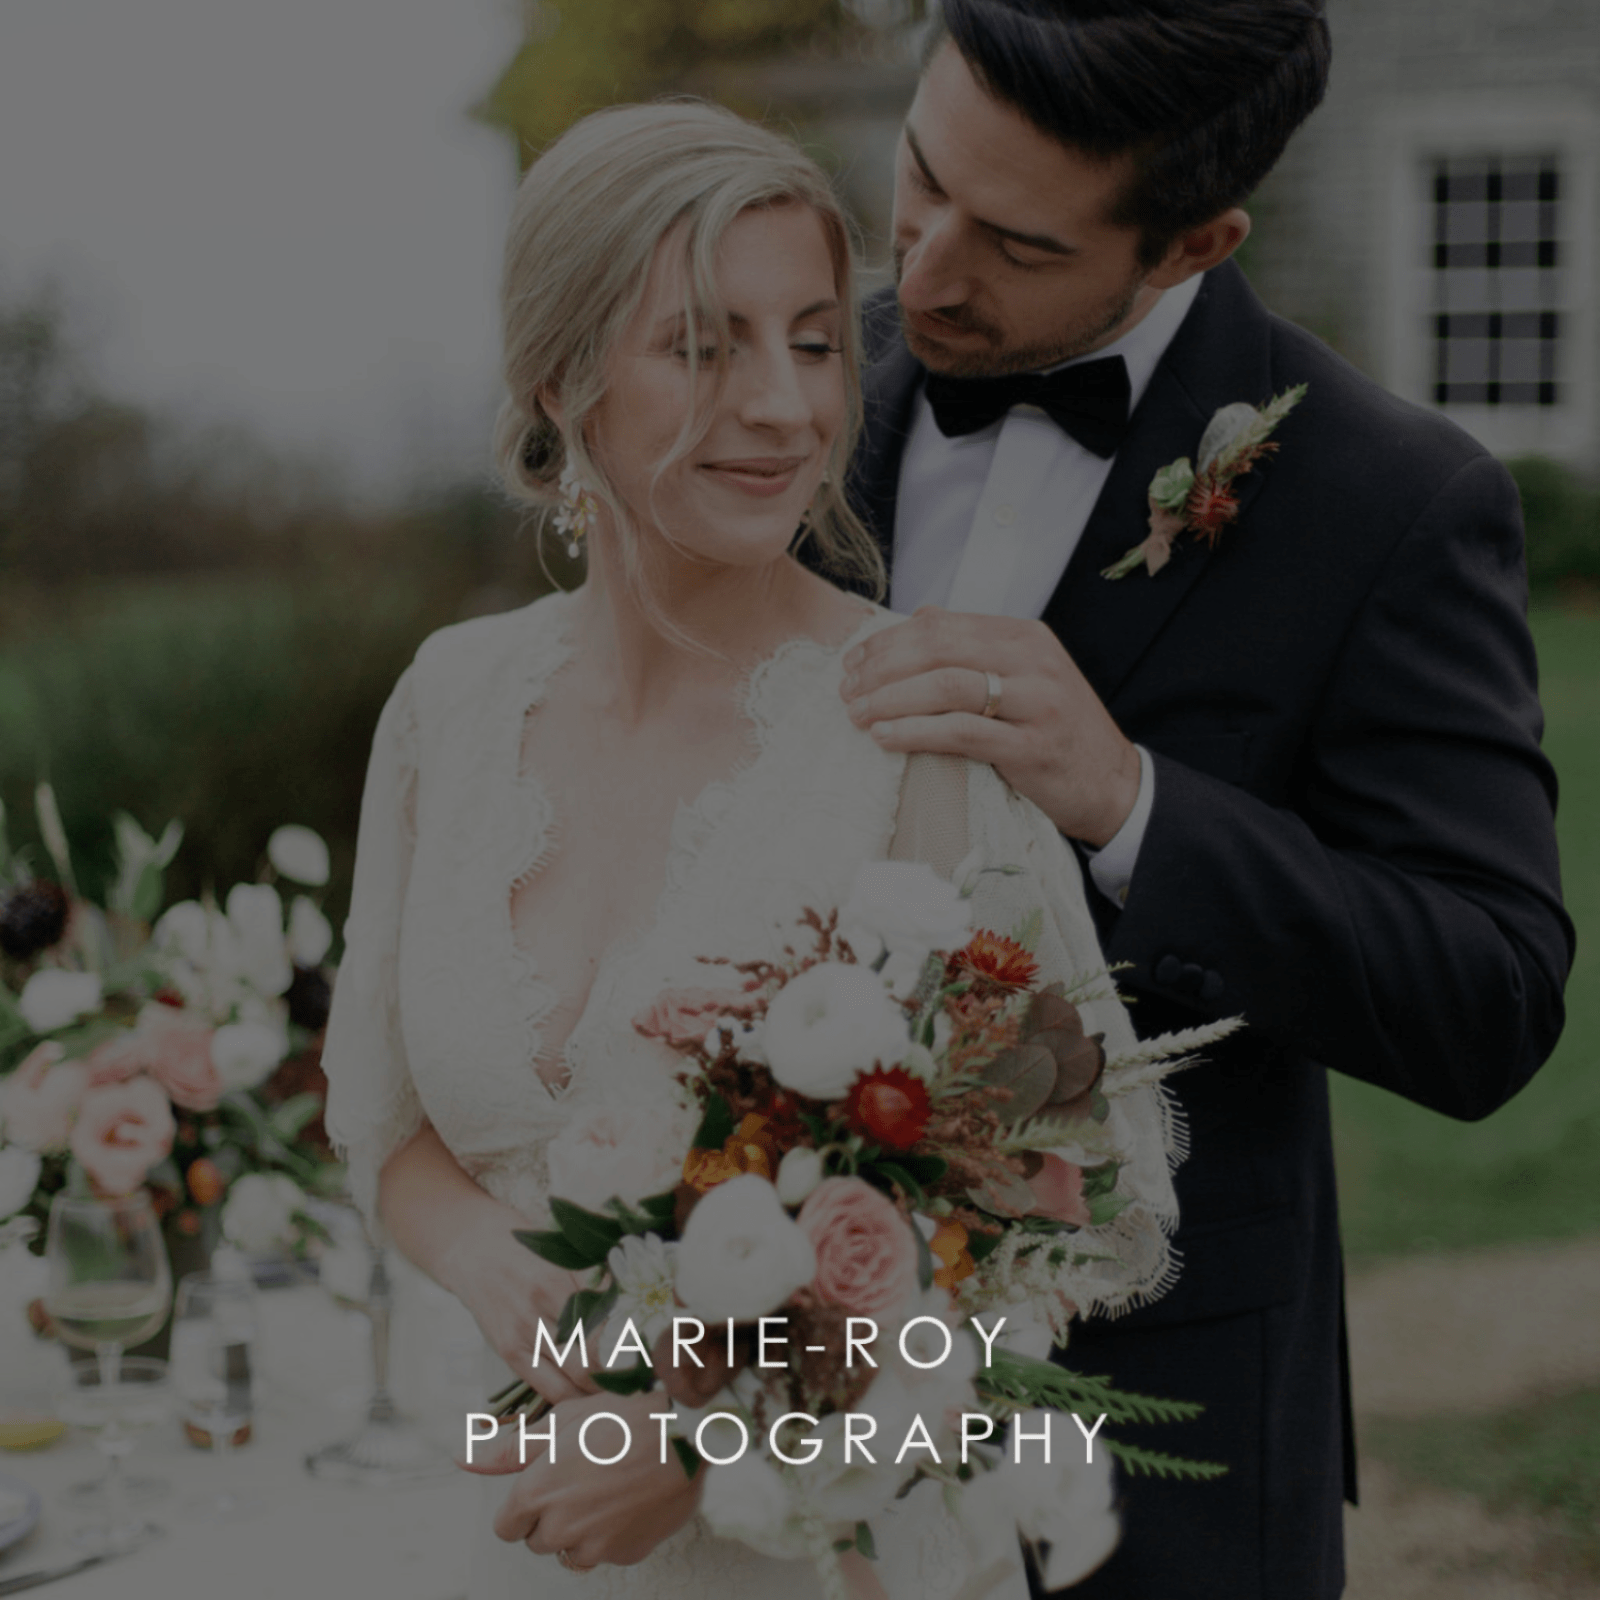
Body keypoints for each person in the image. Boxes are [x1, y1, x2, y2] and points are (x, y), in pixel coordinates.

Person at [320, 100, 1179, 1600]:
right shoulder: (449, 703)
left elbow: (1051, 1246)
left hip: (817, 1561)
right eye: (705, 348)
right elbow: (384, 1116)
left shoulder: (915, 724)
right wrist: (473, 1254)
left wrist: (715, 1438)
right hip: (515, 1537)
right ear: (558, 376)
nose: (785, 408)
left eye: (812, 339)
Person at [838, 3, 1575, 1597]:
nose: (930, 269)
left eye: (1018, 243)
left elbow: (1489, 993)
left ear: (1197, 241)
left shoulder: (1392, 501)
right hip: (765, 1367)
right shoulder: (796, 391)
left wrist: (1128, 803)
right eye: (920, 175)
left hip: (1153, 1420)